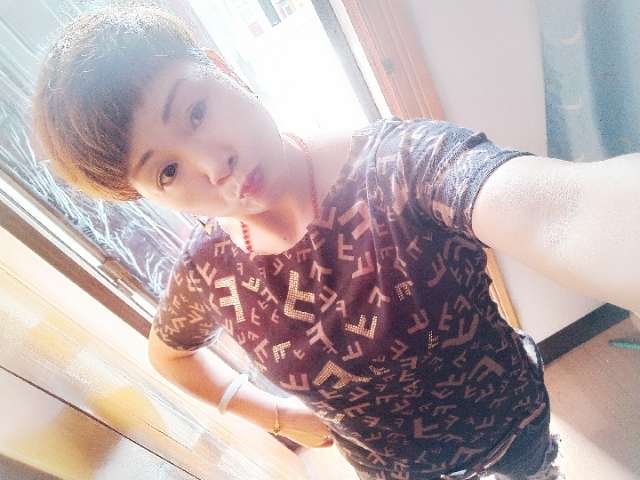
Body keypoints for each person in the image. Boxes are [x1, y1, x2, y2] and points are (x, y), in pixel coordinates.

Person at [32, 6, 639, 480]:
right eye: (167, 171)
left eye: (194, 112)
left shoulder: (402, 166)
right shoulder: (209, 272)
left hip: (511, 421)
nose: (213, 165)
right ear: (148, 196)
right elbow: (169, 355)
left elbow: (559, 213)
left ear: (223, 70)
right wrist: (275, 415)